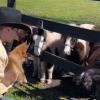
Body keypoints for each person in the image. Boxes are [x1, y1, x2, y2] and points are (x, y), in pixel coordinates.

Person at [0, 7, 31, 99]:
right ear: (8, 30)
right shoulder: (0, 52)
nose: (16, 35)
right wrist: (5, 88)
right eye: (16, 31)